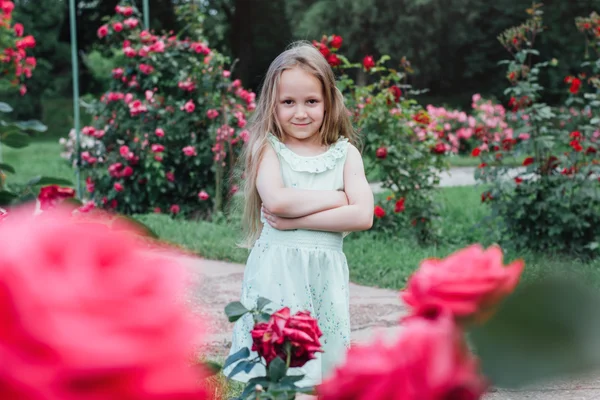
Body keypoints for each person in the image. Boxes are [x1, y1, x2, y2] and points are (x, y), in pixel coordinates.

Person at [224, 41, 374, 387]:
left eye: (311, 101)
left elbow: (362, 215)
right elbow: (277, 202)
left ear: (328, 102)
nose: (300, 112)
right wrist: (338, 198)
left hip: (324, 274)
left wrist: (298, 221)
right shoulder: (268, 149)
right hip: (277, 271)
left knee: (320, 366)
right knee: (275, 363)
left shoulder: (346, 154)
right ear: (272, 106)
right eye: (288, 103)